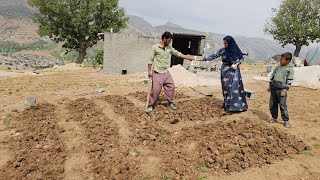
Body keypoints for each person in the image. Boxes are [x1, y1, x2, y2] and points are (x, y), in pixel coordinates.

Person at [146, 31, 195, 113]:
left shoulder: (169, 48)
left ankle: (170, 102)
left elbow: (178, 54)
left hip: (166, 72)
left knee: (171, 86)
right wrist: (149, 71)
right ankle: (151, 105)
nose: (170, 42)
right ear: (164, 39)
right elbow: (150, 60)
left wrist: (188, 57)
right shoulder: (155, 47)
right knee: (156, 90)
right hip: (157, 72)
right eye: (169, 40)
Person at [198, 35, 248, 112]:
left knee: (234, 88)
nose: (225, 45)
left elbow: (241, 58)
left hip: (234, 72)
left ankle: (235, 107)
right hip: (225, 71)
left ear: (231, 43)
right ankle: (227, 104)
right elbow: (214, 56)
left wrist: (236, 64)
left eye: (226, 43)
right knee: (226, 88)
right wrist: (203, 59)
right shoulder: (222, 50)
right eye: (224, 43)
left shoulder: (236, 51)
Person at [268, 52, 294, 128]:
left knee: (282, 105)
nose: (280, 60)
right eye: (280, 59)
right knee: (272, 105)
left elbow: (289, 81)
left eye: (282, 59)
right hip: (273, 88)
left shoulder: (290, 70)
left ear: (287, 61)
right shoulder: (278, 67)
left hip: (281, 90)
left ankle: (286, 120)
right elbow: (272, 77)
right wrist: (270, 86)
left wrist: (285, 90)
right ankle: (274, 118)